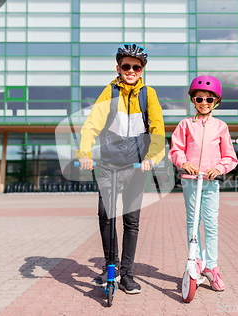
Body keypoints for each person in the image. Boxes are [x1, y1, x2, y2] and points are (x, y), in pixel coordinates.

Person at [76, 43, 165, 294]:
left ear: (142, 70)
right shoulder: (109, 92)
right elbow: (91, 124)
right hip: (107, 165)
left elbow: (158, 130)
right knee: (106, 215)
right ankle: (110, 266)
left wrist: (151, 158)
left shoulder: (149, 95)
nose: (131, 70)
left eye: (136, 67)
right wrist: (84, 153)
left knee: (131, 221)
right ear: (118, 68)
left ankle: (126, 273)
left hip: (137, 167)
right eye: (126, 66)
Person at [168, 76, 238, 291]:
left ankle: (212, 266)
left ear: (216, 101)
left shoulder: (220, 126)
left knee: (211, 223)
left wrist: (219, 168)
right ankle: (195, 261)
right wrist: (184, 162)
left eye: (209, 99)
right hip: (191, 181)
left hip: (210, 181)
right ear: (193, 100)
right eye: (199, 99)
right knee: (193, 221)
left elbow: (230, 157)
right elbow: (176, 150)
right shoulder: (185, 124)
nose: (204, 103)